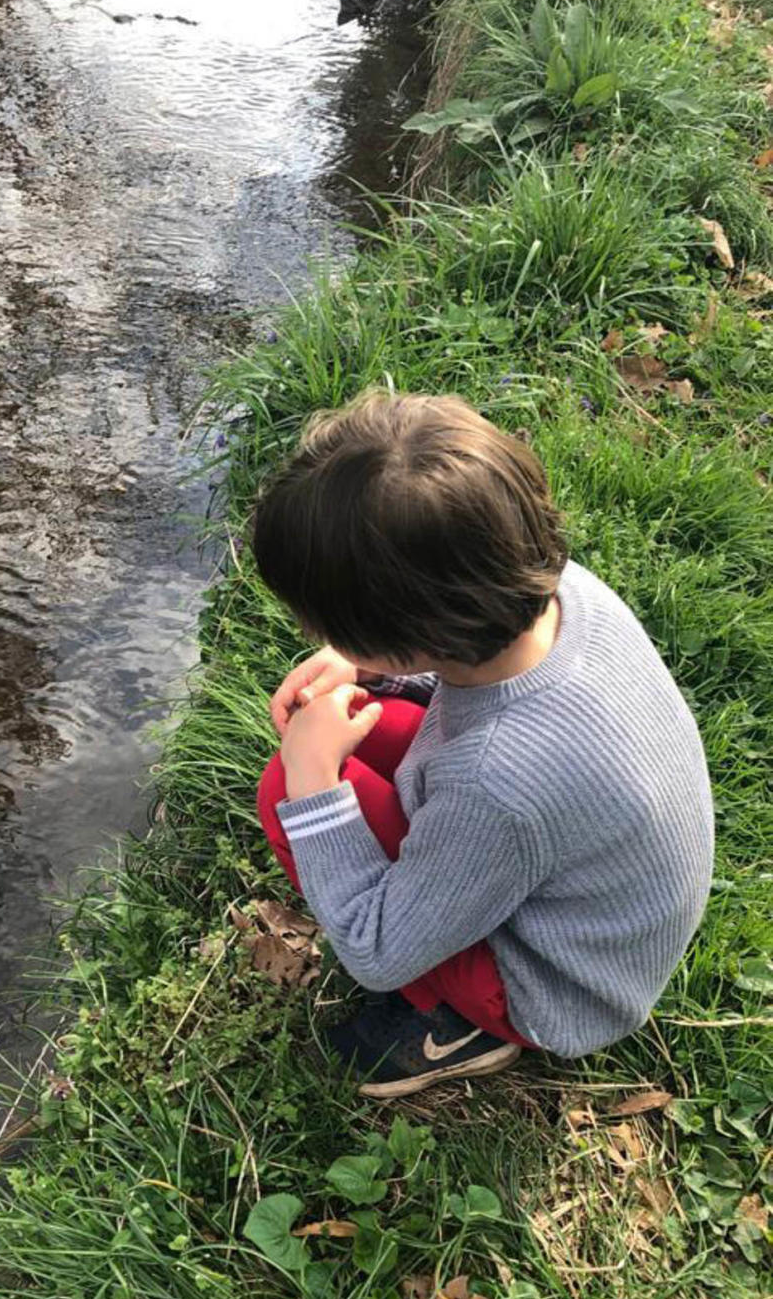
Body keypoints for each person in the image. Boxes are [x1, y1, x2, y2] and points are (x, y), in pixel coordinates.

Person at [252, 390, 714, 1098]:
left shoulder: (499, 783)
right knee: (358, 728)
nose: (326, 643)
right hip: (606, 909)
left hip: (562, 985)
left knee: (285, 792)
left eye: (338, 632)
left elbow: (376, 950)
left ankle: (460, 1028)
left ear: (421, 638)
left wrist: (313, 778)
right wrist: (366, 664)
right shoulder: (562, 595)